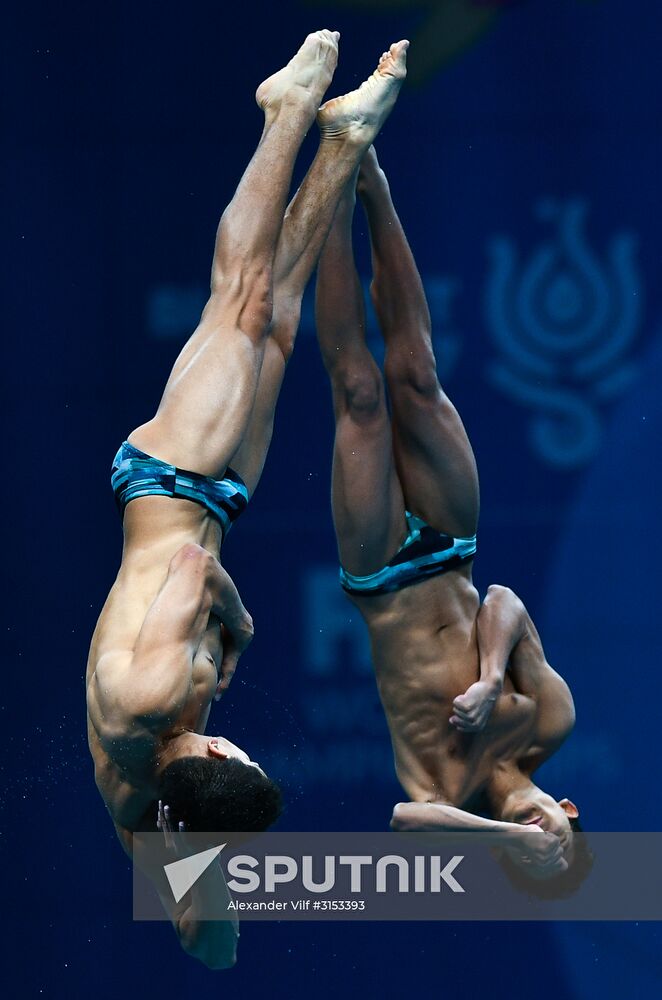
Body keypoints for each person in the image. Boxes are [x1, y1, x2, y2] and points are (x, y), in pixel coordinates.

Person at [86, 32, 409, 967]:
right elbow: (213, 951)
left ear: (221, 759)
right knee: (281, 316)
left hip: (168, 478)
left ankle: (285, 112)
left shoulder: (149, 706)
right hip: (217, 494)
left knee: (242, 297)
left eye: (238, 754)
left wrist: (244, 623)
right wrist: (208, 860)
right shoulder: (147, 810)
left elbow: (193, 568)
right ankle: (343, 144)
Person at [314, 145, 592, 895]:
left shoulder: (444, 790)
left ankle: (330, 193)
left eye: (535, 860)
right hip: (453, 548)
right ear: (567, 809)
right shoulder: (550, 721)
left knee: (359, 392)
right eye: (559, 843)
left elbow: (408, 820)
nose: (544, 845)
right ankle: (371, 178)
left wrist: (505, 833)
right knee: (416, 372)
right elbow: (504, 600)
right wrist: (492, 676)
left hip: (379, 576)